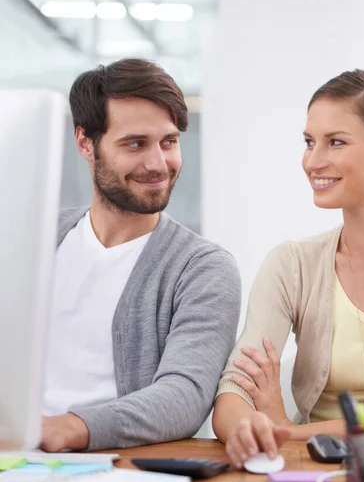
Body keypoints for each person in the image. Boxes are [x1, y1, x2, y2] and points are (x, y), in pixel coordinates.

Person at [41, 58, 241, 453]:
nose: (158, 164)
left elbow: (184, 396)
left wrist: (67, 428)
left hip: (118, 469)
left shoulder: (202, 268)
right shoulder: (38, 241)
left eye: (168, 142)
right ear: (85, 143)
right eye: (135, 144)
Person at [212, 69, 364, 468]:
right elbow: (234, 393)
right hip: (319, 472)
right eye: (309, 142)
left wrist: (292, 429)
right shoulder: (293, 264)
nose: (312, 161)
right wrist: (249, 426)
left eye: (336, 142)